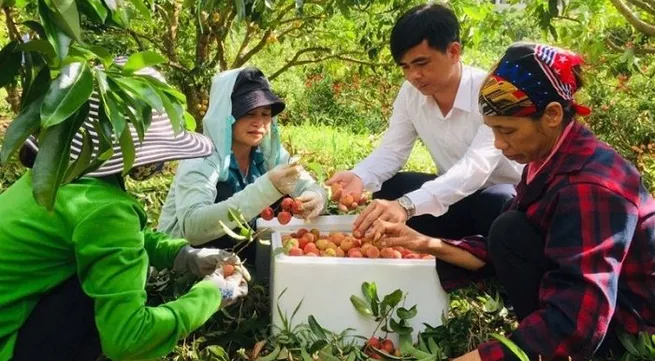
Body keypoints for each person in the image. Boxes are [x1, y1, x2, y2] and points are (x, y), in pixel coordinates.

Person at [370, 42, 655, 361]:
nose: (499, 144)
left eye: (508, 131)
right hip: (591, 316)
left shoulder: (592, 185)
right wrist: (425, 243)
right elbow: (497, 245)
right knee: (509, 229)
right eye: (493, 131)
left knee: (510, 230)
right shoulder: (548, 160)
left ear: (552, 115)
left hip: (627, 335)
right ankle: (536, 341)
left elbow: (577, 323)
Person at [0, 62, 251, 361]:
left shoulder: (52, 178)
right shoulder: (105, 209)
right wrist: (212, 293)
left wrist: (183, 255)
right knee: (107, 292)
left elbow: (109, 238)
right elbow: (130, 339)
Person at [326, 3, 523, 240]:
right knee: (392, 187)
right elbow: (393, 150)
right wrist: (359, 176)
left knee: (498, 201)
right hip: (452, 196)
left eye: (421, 64)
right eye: (405, 67)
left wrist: (407, 205)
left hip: (500, 196)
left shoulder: (488, 93)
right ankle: (453, 244)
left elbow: (476, 168)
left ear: (454, 52)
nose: (413, 76)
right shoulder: (410, 94)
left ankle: (480, 250)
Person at [157, 67, 327, 262]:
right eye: (248, 113)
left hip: (231, 263)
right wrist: (267, 188)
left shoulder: (267, 154)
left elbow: (309, 185)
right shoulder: (201, 156)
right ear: (226, 116)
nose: (259, 122)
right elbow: (193, 227)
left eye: (265, 114)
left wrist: (316, 196)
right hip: (183, 266)